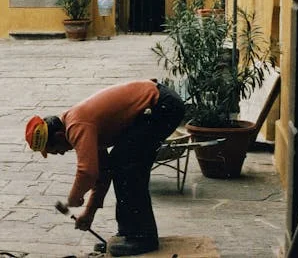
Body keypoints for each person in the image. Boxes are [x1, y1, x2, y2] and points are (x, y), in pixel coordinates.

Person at [24, 80, 185, 256]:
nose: (61, 153)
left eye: (56, 150)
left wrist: (73, 198)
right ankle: (129, 233)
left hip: (162, 105)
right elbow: (103, 172)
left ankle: (142, 237)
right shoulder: (80, 125)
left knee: (127, 165)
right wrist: (89, 213)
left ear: (60, 135)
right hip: (157, 105)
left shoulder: (76, 126)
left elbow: (87, 171)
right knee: (121, 161)